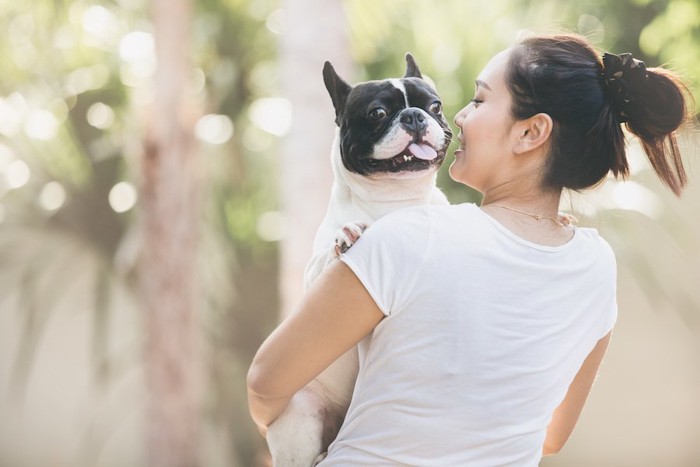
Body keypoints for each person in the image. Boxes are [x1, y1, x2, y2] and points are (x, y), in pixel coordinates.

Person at [247, 33, 691, 465]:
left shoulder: (402, 239)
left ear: (531, 132)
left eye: (478, 101)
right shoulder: (597, 266)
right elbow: (552, 435)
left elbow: (266, 384)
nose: (457, 116)